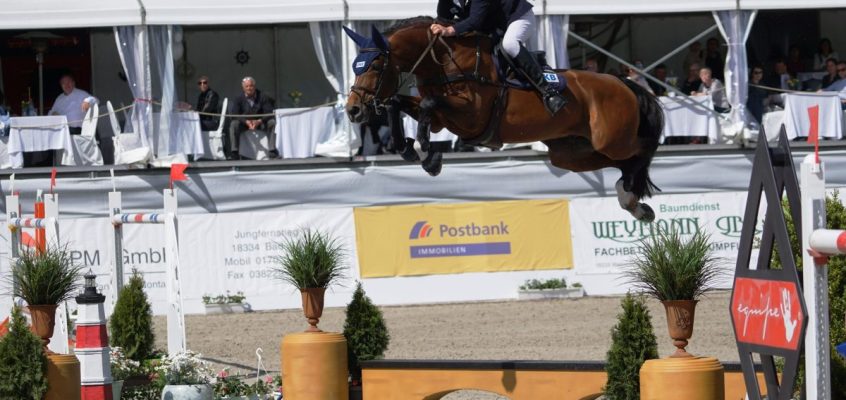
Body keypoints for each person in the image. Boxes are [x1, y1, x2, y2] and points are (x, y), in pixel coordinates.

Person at [430, 0, 566, 116]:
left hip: (516, 17)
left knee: (509, 44)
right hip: (492, 25)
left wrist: (449, 30)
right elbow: (443, 20)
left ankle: (548, 91)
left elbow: (475, 21)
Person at [228, 77, 276, 160]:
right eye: (246, 86)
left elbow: (270, 112)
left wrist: (259, 121)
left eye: (251, 86)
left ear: (254, 86)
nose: (249, 88)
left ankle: (272, 150)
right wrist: (246, 122)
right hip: (245, 124)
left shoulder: (263, 96)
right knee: (234, 124)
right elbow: (234, 114)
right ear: (243, 88)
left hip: (260, 122)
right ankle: (234, 151)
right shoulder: (238, 98)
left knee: (272, 122)